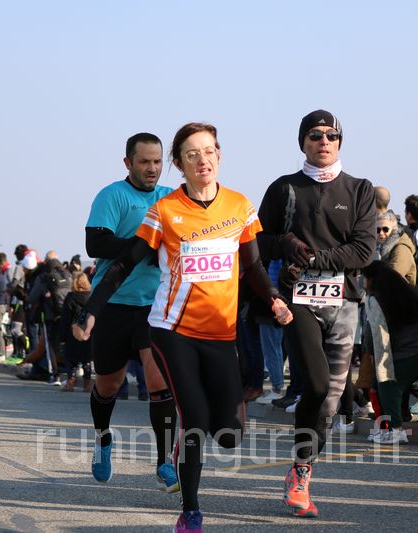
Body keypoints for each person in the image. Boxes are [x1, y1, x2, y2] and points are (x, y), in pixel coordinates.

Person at [74, 122, 292, 532]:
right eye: (191, 154)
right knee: (187, 413)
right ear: (181, 164)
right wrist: (92, 309)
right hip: (171, 328)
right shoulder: (164, 210)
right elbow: (122, 263)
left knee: (228, 435)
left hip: (221, 332)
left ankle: (179, 446)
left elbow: (253, 266)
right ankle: (190, 511)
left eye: (208, 151)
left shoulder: (240, 206)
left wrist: (275, 299)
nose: (202, 159)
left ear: (219, 155)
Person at [257, 109, 376, 518]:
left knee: (329, 402)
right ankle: (302, 472)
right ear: (302, 142)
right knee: (317, 385)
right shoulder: (284, 188)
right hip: (299, 301)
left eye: (330, 135)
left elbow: (364, 249)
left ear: (339, 142)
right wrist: (285, 245)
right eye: (314, 135)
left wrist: (313, 260)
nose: (323, 141)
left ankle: (300, 470)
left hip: (344, 303)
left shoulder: (359, 189)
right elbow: (258, 242)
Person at [79, 132, 179, 495]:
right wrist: (144, 247)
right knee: (109, 384)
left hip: (155, 306)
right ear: (128, 163)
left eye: (157, 162)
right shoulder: (113, 196)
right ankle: (103, 438)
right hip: (114, 304)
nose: (152, 169)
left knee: (159, 382)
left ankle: (165, 461)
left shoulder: (171, 197)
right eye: (144, 162)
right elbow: (96, 243)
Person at [362, 261, 418, 444]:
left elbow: (377, 334)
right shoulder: (403, 288)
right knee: (412, 377)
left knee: (388, 381)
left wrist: (375, 360)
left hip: (414, 345)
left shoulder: (375, 299)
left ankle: (394, 430)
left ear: (370, 280)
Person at [376, 211, 417, 285]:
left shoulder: (402, 249)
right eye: (378, 230)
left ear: (394, 230)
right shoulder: (378, 248)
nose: (381, 233)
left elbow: (393, 278)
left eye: (385, 229)